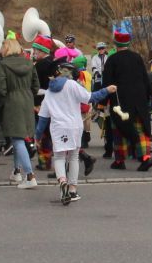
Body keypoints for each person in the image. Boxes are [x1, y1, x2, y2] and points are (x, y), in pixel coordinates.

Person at [37, 55, 114, 204]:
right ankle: (72, 190)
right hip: (74, 126)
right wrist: (107, 90)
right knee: (73, 157)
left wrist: (37, 136)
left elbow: (43, 118)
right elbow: (90, 97)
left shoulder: (49, 91)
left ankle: (62, 181)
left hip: (58, 128)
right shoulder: (72, 85)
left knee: (59, 157)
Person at [102, 26, 152, 171]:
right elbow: (145, 79)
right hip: (139, 101)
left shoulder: (112, 60)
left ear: (115, 43)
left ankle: (120, 160)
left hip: (120, 102)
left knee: (120, 130)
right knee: (140, 129)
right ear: (128, 42)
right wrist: (148, 97)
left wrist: (102, 102)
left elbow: (107, 83)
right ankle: (145, 158)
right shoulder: (137, 57)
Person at [0, 36, 40, 189]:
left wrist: (3, 100)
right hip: (27, 100)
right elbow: (36, 86)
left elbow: (1, 89)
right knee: (20, 136)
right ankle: (16, 171)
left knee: (17, 139)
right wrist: (28, 94)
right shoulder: (29, 63)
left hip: (12, 102)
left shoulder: (3, 65)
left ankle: (30, 175)